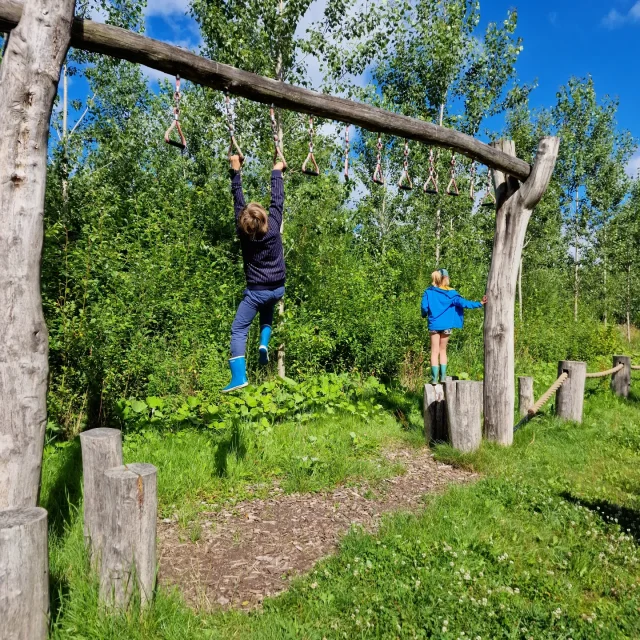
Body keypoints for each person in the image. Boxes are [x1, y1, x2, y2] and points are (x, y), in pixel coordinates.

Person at [222, 154, 286, 392]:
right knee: (268, 306)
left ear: (244, 224)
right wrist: (276, 170)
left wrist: (235, 171)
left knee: (239, 328)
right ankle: (263, 344)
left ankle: (239, 377)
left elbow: (238, 202)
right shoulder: (274, 226)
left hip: (257, 291)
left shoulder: (244, 234)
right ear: (265, 218)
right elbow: (277, 199)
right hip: (277, 288)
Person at [421, 268, 487, 385]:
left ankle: (434, 379)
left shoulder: (428, 292)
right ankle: (443, 377)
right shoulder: (452, 293)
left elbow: (424, 308)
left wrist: (424, 314)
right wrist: (479, 303)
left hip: (434, 325)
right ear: (445, 278)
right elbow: (464, 303)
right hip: (447, 326)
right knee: (443, 350)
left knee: (434, 351)